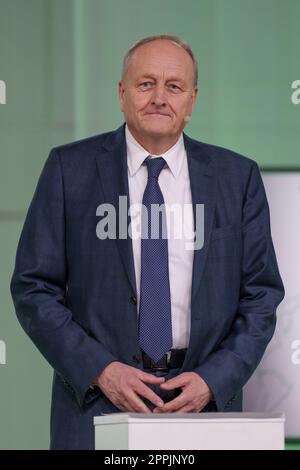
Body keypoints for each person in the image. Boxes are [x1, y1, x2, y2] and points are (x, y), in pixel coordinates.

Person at [10, 34, 285, 450]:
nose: (160, 97)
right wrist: (101, 370)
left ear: (192, 100)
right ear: (122, 94)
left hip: (205, 409)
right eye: (145, 84)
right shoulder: (70, 169)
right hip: (96, 406)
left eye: (174, 86)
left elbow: (261, 296)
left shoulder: (238, 178)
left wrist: (215, 379)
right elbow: (33, 287)